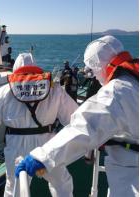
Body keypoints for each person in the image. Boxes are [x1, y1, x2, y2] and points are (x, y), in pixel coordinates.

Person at [15, 35, 139, 197]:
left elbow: (86, 125)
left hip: (131, 173)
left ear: (99, 64)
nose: (93, 76)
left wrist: (42, 157)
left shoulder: (117, 91)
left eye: (92, 70)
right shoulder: (133, 81)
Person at [0, 53, 78, 197]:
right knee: (61, 183)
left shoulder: (3, 92)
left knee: (14, 187)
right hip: (47, 144)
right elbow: (74, 117)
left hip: (16, 147)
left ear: (15, 69)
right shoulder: (54, 89)